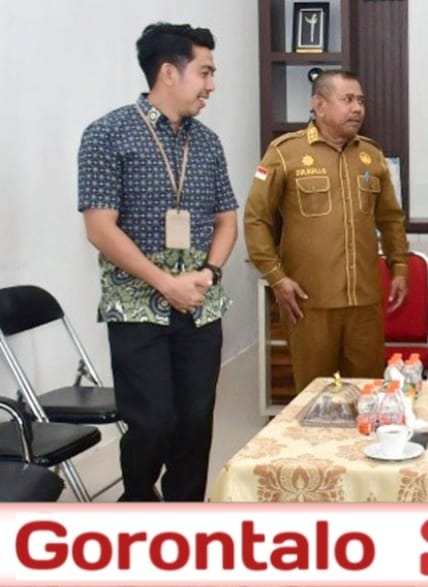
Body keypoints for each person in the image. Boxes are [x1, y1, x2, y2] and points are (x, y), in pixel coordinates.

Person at [77, 23, 237, 501]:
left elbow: (226, 220)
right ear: (169, 72)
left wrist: (208, 273)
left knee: (195, 421)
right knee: (152, 422)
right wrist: (165, 283)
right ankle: (139, 505)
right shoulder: (107, 134)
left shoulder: (207, 143)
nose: (211, 84)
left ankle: (184, 518)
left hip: (201, 304)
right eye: (204, 72)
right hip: (137, 307)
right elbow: (100, 228)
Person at [245, 70, 409, 394]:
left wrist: (400, 266)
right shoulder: (285, 152)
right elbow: (256, 219)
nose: (357, 108)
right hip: (309, 303)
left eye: (361, 100)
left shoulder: (371, 155)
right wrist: (276, 277)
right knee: (315, 398)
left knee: (368, 396)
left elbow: (391, 218)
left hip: (363, 303)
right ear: (319, 105)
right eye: (348, 99)